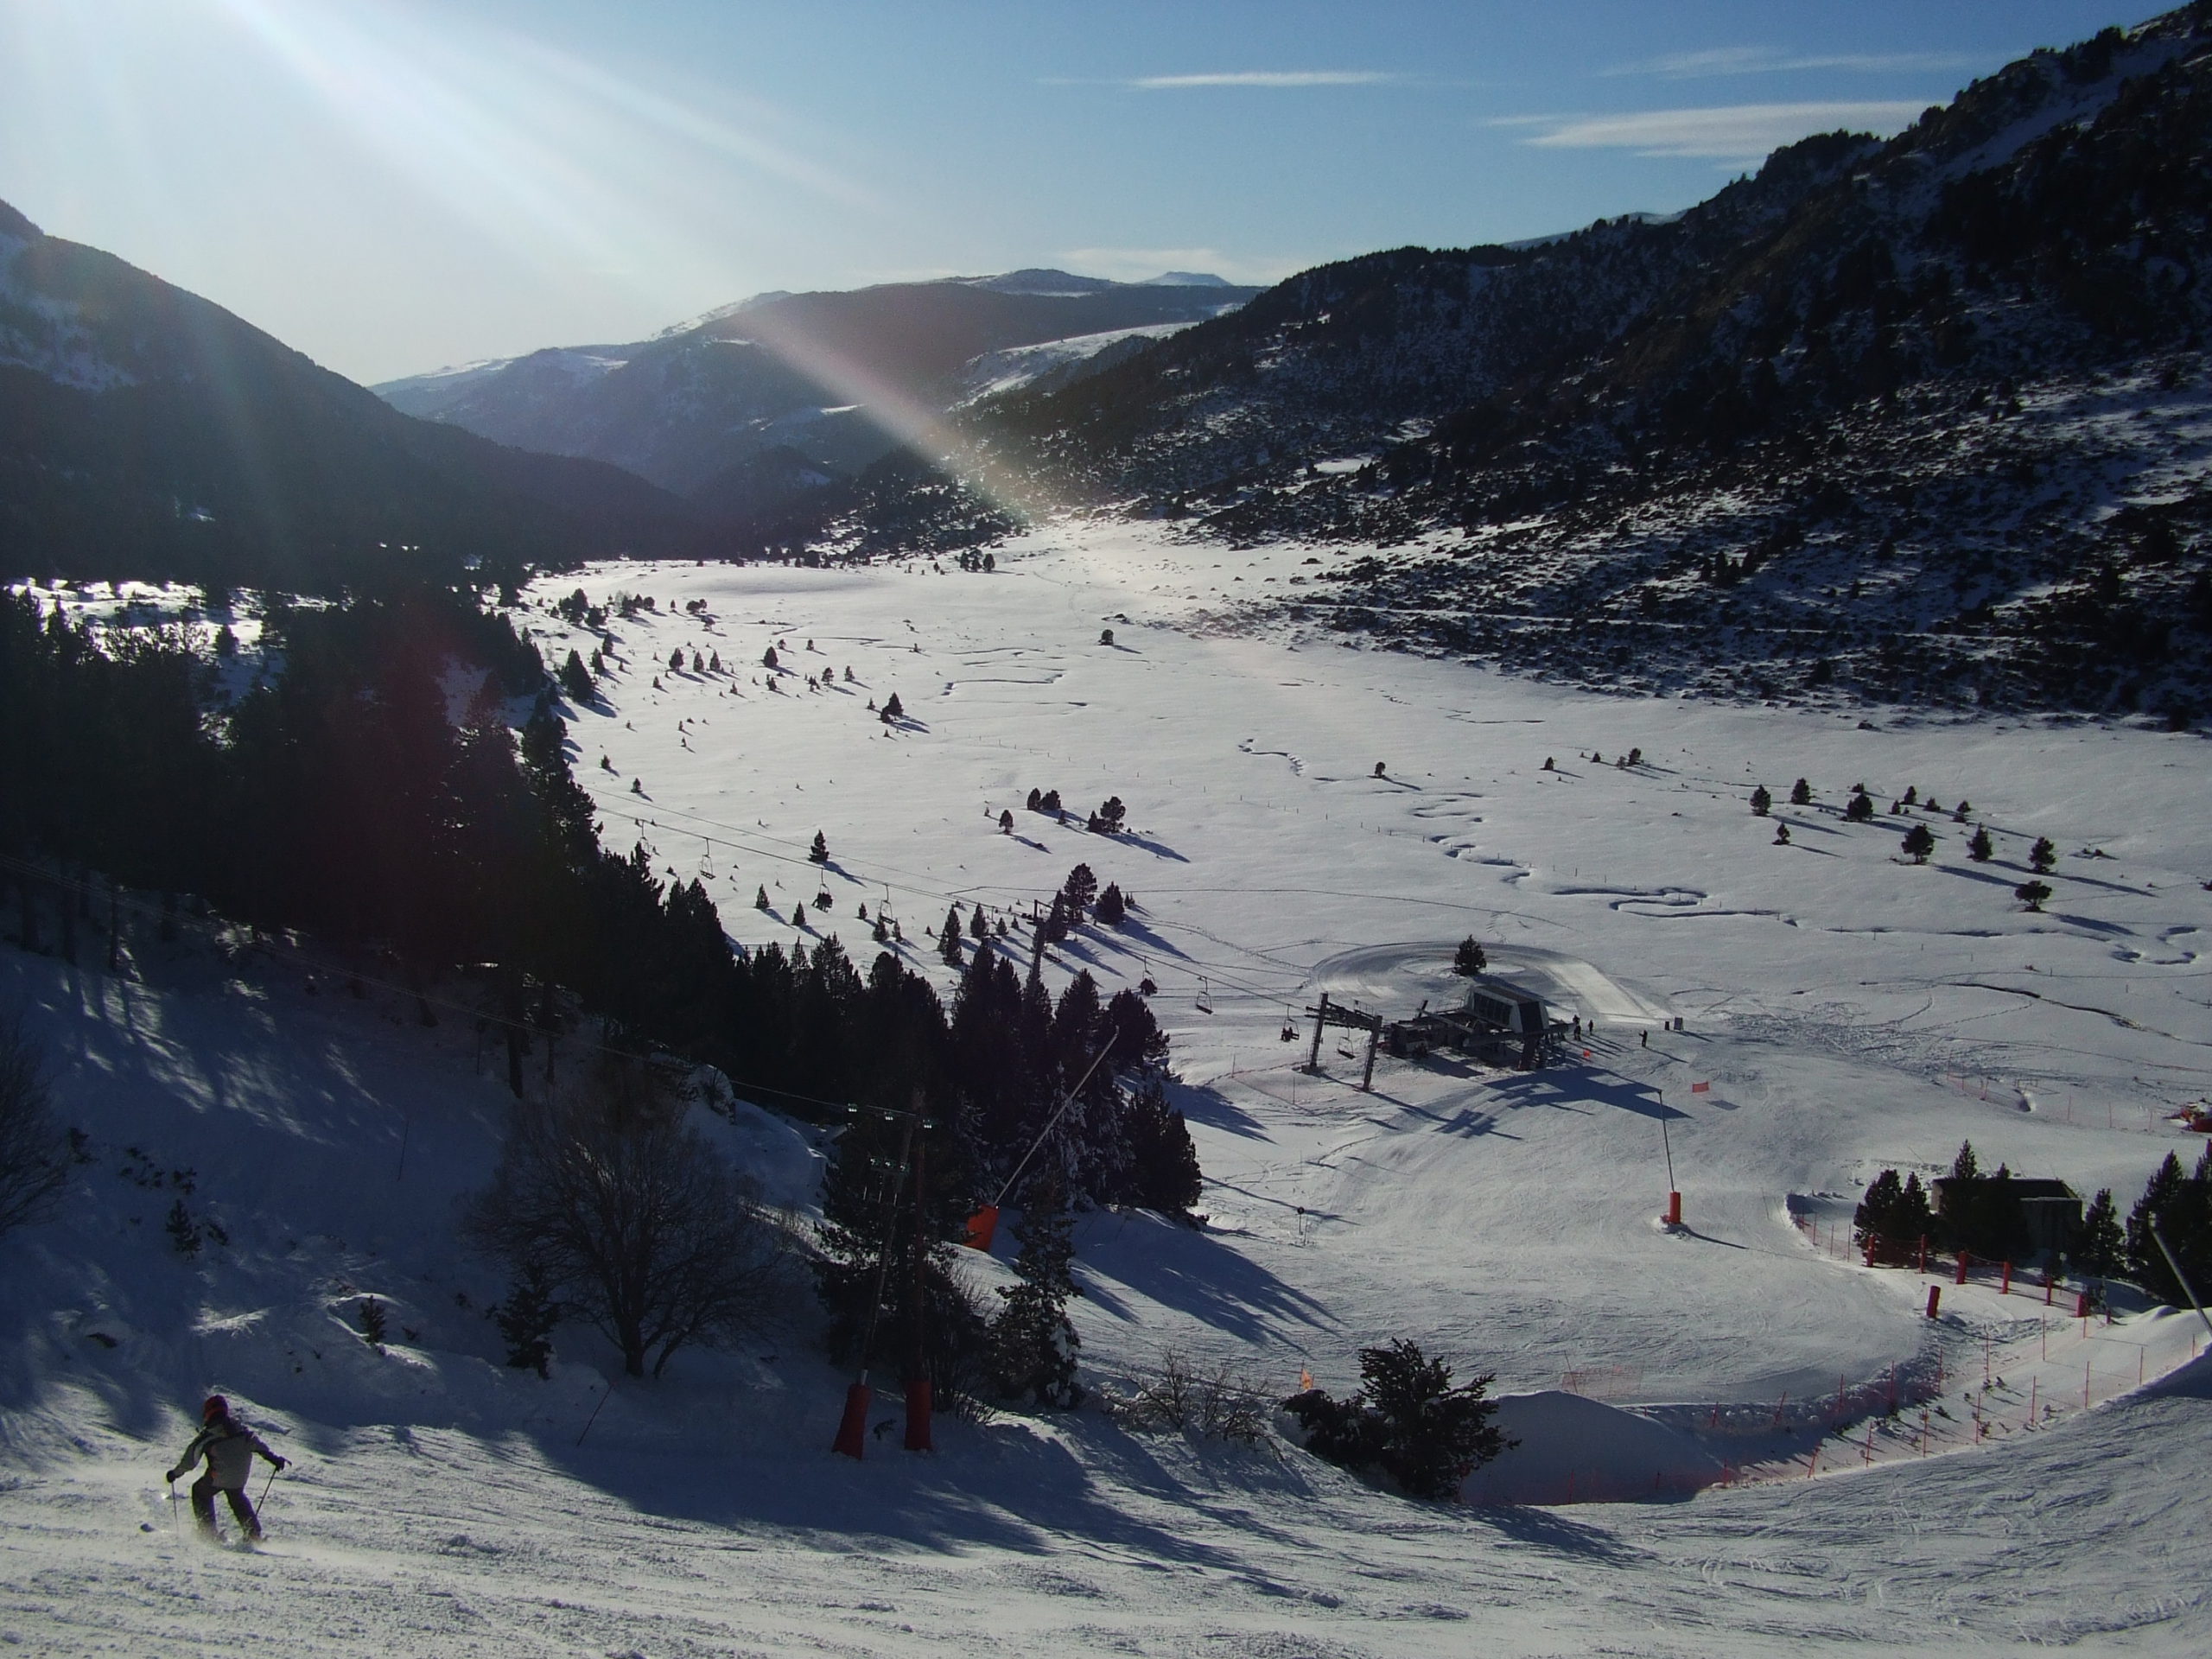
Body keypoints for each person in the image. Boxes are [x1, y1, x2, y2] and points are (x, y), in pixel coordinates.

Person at [166, 1395, 286, 1540]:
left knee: (200, 1491)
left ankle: (207, 1532)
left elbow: (190, 1461)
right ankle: (253, 1533)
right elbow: (258, 1446)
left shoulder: (208, 1435)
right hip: (240, 1477)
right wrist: (274, 1459)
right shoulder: (240, 1430)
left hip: (218, 1476)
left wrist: (175, 1473)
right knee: (236, 1495)